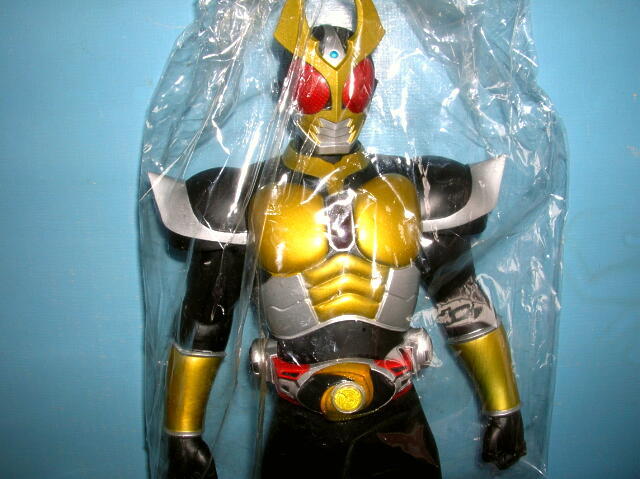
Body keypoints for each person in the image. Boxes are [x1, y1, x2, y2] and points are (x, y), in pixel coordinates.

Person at [148, 0, 526, 477]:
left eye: (353, 86)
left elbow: (463, 304)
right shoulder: (237, 198)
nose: (334, 109)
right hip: (297, 421)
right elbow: (205, 322)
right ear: (284, 90)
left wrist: (505, 406)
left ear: (372, 87)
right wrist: (182, 432)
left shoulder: (418, 189)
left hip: (398, 416)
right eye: (313, 89)